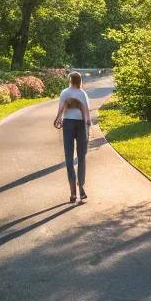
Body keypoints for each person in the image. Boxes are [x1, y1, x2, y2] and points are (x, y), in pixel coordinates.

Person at [53, 71, 92, 204]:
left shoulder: (64, 93)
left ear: (70, 81)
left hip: (68, 124)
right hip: (81, 124)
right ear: (80, 81)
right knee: (81, 157)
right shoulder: (82, 93)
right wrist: (88, 127)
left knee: (69, 158)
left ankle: (72, 192)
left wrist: (59, 119)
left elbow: (60, 110)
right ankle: (81, 187)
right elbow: (87, 112)